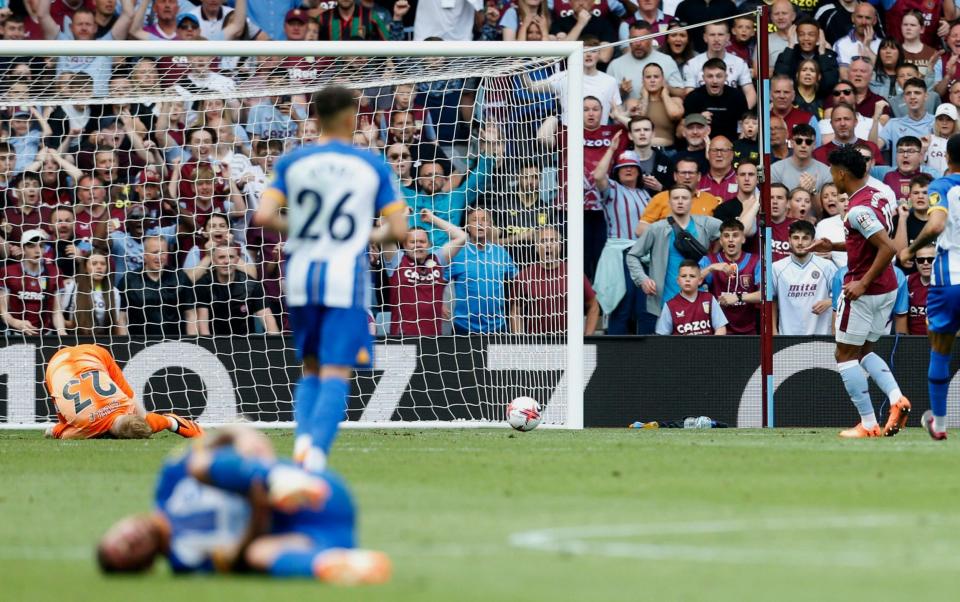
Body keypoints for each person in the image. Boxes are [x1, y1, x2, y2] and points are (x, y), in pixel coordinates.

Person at [254, 86, 408, 472]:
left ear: (316, 117)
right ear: (347, 117)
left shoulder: (294, 162)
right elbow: (399, 228)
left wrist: (308, 228)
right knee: (337, 369)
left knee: (310, 367)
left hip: (302, 276)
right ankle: (315, 455)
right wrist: (360, 234)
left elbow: (264, 215)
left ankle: (303, 442)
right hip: (344, 277)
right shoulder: (369, 164)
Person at [95, 425, 391, 583]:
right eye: (130, 551)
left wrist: (243, 438)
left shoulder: (169, 482)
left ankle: (277, 477)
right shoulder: (184, 561)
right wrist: (257, 509)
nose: (131, 539)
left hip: (316, 490)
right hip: (312, 537)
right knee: (257, 554)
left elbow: (218, 441)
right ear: (146, 565)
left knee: (200, 463)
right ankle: (335, 565)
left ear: (120, 522)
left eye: (121, 537)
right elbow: (236, 558)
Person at [806, 146, 909, 438]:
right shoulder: (880, 193)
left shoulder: (858, 209)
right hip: (887, 287)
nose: (831, 178)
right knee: (865, 350)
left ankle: (867, 423)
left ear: (841, 173)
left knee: (844, 354)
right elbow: (871, 241)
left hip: (864, 289)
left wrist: (862, 283)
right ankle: (896, 399)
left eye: (831, 172)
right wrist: (835, 246)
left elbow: (888, 248)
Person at [898, 134, 960, 440]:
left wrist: (911, 250)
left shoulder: (943, 186)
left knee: (940, 348)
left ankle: (939, 423)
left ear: (947, 158)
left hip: (949, 280)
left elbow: (935, 225)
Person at [43, 344, 202, 440]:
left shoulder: (127, 405)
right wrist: (55, 430)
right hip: (55, 366)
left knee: (143, 415)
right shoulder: (84, 430)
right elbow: (53, 432)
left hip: (92, 353)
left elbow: (172, 421)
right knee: (64, 418)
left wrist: (199, 435)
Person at [627, 185, 722, 321]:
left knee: (699, 340)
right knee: (668, 342)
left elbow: (734, 232)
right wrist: (642, 279)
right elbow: (632, 255)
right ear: (669, 202)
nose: (680, 201)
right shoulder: (656, 228)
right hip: (665, 300)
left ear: (692, 201)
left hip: (699, 297)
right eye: (676, 198)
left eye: (684, 198)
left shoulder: (705, 223)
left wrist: (716, 256)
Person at [382, 209, 467, 336]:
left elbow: (462, 237)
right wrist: (405, 215)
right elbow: (385, 234)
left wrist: (432, 218)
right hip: (401, 338)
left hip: (433, 341)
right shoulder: (396, 260)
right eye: (412, 242)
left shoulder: (438, 259)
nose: (418, 245)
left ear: (429, 245)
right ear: (404, 245)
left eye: (422, 241)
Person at [511, 226, 599, 335]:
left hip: (569, 343)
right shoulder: (524, 276)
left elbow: (593, 306)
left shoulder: (574, 273)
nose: (548, 245)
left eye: (553, 241)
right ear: (537, 247)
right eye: (543, 241)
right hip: (537, 344)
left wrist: (587, 339)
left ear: (560, 246)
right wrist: (520, 344)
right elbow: (516, 312)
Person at [118, 235, 205, 338]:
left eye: (163, 252)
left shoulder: (180, 277)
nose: (159, 257)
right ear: (144, 255)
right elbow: (122, 318)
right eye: (155, 252)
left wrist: (192, 343)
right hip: (140, 344)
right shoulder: (129, 280)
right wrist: (124, 345)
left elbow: (191, 315)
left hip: (175, 344)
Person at [448, 207, 517, 334]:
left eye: (484, 220)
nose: (480, 223)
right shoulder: (457, 253)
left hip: (497, 328)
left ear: (490, 225)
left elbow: (518, 278)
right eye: (475, 220)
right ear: (468, 227)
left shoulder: (500, 252)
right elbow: (439, 279)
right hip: (463, 328)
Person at [194, 244, 281, 336]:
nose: (227, 261)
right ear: (214, 261)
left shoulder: (251, 285)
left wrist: (276, 347)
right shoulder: (204, 284)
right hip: (214, 341)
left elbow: (269, 321)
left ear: (236, 260)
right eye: (221, 257)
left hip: (246, 342)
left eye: (231, 257)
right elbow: (203, 328)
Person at [771, 220, 838, 335]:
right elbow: (771, 300)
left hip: (821, 336)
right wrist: (773, 331)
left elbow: (843, 295)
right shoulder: (777, 268)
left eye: (805, 238)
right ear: (789, 240)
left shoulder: (827, 266)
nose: (800, 242)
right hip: (788, 337)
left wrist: (830, 301)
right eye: (796, 238)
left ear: (813, 241)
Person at [698, 219, 760, 335]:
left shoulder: (755, 261)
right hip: (718, 331)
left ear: (743, 239)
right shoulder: (709, 260)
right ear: (721, 241)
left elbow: (764, 294)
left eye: (735, 235)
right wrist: (711, 268)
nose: (731, 239)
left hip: (748, 332)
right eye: (726, 236)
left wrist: (739, 297)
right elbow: (690, 283)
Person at [0, 229, 67, 336]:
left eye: (41, 246)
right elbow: (3, 311)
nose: (37, 250)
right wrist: (15, 323)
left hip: (46, 335)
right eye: (31, 246)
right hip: (16, 334)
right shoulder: (8, 272)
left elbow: (56, 311)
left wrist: (62, 333)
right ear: (23, 249)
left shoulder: (55, 272)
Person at [655, 260, 728, 335]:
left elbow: (721, 328)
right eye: (683, 276)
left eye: (692, 276)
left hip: (707, 346)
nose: (687, 279)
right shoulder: (670, 306)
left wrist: (713, 345)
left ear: (700, 280)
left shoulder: (709, 298)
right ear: (678, 280)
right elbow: (662, 336)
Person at [682, 60, 749, 142]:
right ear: (703, 78)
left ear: (726, 77)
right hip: (701, 145)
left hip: (730, 145)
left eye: (719, 76)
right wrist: (698, 119)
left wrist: (739, 145)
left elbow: (745, 125)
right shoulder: (693, 97)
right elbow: (680, 131)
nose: (715, 81)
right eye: (710, 76)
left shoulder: (737, 96)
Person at [771, 123, 833, 196]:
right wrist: (799, 190)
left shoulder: (826, 172)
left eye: (808, 142)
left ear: (814, 145)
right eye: (799, 141)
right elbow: (775, 203)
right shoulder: (775, 169)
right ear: (791, 143)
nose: (803, 145)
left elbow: (825, 206)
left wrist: (812, 191)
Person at [905, 244, 935, 335]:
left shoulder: (947, 284)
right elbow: (900, 316)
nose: (925, 263)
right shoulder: (907, 281)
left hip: (939, 341)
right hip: (913, 342)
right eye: (921, 260)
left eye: (930, 260)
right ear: (916, 262)